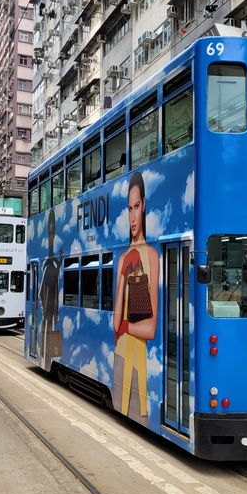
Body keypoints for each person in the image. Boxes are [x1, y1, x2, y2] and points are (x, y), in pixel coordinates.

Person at [113, 172, 159, 420]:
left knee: (140, 414)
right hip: (120, 355)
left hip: (139, 366)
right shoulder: (123, 258)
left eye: (137, 207)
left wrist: (125, 326)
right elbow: (114, 322)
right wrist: (123, 272)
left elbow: (150, 330)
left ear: (144, 207)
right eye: (128, 208)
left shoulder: (152, 256)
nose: (132, 216)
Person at [39, 209, 62, 369]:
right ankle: (44, 359)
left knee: (52, 335)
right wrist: (43, 307)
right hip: (47, 313)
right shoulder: (48, 264)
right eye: (49, 234)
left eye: (53, 234)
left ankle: (48, 360)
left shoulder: (55, 263)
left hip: (52, 312)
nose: (51, 238)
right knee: (46, 333)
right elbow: (41, 291)